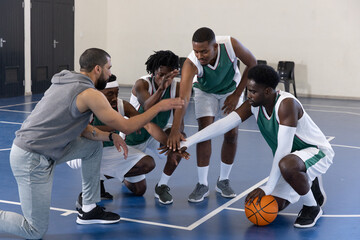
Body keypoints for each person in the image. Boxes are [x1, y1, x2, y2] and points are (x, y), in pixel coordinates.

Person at [0, 48, 184, 239]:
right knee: (35, 230)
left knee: (92, 147)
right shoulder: (89, 93)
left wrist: (110, 137)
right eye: (108, 68)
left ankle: (88, 209)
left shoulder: (65, 80)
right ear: (97, 69)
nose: (110, 73)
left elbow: (81, 128)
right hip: (31, 158)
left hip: (48, 150)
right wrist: (161, 106)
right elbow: (127, 126)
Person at [178, 64, 334, 228]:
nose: (248, 95)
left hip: (315, 152)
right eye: (248, 90)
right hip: (292, 160)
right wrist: (188, 142)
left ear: (267, 91)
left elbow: (283, 150)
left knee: (288, 165)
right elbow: (223, 125)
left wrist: (269, 186)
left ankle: (312, 207)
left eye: (253, 91)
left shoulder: (286, 104)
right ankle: (308, 177)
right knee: (272, 207)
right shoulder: (253, 106)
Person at [167, 27, 257, 202]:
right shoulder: (191, 63)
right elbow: (183, 98)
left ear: (215, 46)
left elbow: (253, 63)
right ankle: (202, 183)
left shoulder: (231, 44)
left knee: (231, 134)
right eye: (196, 51)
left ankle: (223, 180)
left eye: (204, 51)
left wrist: (237, 94)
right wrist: (175, 129)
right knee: (204, 132)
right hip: (205, 92)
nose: (200, 55)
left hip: (231, 90)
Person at [67, 76, 189, 206]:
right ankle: (90, 188)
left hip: (107, 149)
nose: (115, 97)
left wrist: (171, 145)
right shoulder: (86, 106)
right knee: (92, 145)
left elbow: (147, 125)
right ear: (98, 94)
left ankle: (99, 180)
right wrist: (119, 125)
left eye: (117, 93)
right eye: (110, 94)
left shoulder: (121, 105)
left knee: (141, 184)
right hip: (81, 152)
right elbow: (83, 131)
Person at [127, 50, 187, 204]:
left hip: (154, 135)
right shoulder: (142, 84)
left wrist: (176, 137)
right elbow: (148, 109)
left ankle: (162, 186)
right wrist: (161, 88)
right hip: (132, 138)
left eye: (167, 75)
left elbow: (179, 120)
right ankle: (119, 174)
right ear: (153, 72)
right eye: (160, 75)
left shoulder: (176, 87)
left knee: (180, 142)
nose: (162, 79)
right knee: (139, 191)